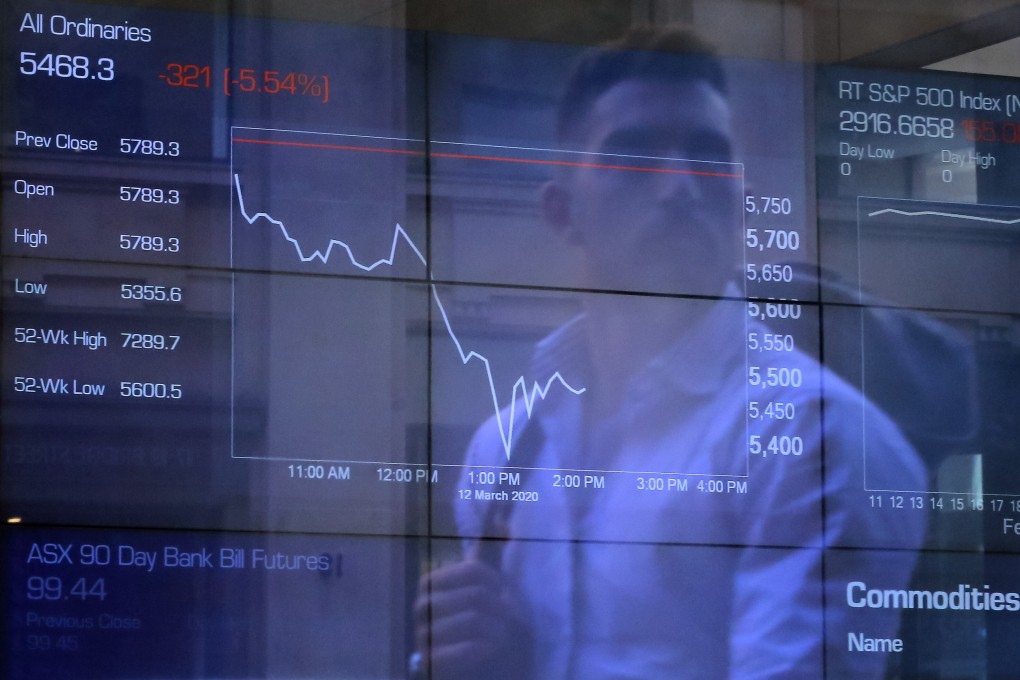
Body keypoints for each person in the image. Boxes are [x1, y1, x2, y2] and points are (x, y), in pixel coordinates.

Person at [415, 26, 927, 678]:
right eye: (633, 156)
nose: (680, 186)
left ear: (741, 206)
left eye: (708, 158)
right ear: (562, 212)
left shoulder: (819, 437)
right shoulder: (503, 447)